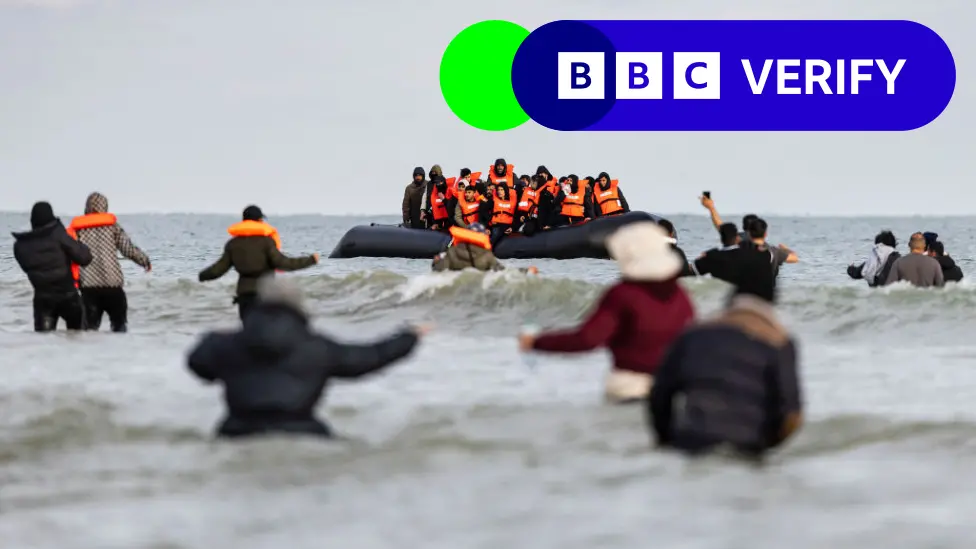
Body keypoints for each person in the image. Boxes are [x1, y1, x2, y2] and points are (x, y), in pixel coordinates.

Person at [186, 276, 428, 439]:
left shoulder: (227, 344)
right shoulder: (316, 347)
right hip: (303, 433)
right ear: (299, 307)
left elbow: (197, 363)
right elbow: (368, 358)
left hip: (237, 433)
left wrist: (213, 339)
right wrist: (409, 337)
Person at [518, 223, 694, 403]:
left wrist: (536, 342)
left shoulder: (623, 294)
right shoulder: (681, 295)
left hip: (630, 386)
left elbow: (588, 339)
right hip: (670, 386)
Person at [648, 266, 802, 458]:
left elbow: (659, 395)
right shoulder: (779, 342)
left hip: (690, 441)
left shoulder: (694, 334)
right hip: (746, 445)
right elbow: (791, 416)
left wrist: (666, 439)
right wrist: (764, 446)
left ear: (731, 298)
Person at [198, 205, 319, 321]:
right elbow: (283, 263)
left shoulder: (233, 244)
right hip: (265, 294)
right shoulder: (267, 242)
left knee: (249, 331)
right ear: (260, 221)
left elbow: (219, 269)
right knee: (265, 331)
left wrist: (202, 275)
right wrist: (310, 260)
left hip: (244, 296)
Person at [68, 192, 152, 332]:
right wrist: (144, 261)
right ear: (105, 207)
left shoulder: (78, 230)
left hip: (89, 289)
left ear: (87, 208)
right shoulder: (113, 227)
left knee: (89, 331)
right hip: (113, 287)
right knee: (119, 328)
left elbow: (68, 254)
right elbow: (128, 249)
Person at [12, 201, 93, 331]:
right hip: (68, 296)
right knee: (78, 337)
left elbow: (27, 268)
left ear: (33, 221)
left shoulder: (20, 246)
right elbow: (84, 258)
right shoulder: (58, 234)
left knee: (43, 340)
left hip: (43, 299)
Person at [431, 223, 537, 274]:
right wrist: (526, 270)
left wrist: (436, 262)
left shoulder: (453, 251)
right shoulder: (486, 256)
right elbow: (504, 272)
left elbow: (437, 268)